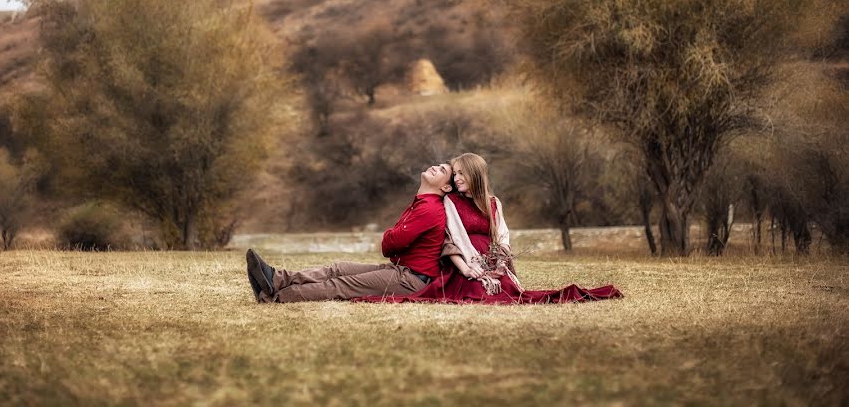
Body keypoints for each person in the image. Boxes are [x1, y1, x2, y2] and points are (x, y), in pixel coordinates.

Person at [356, 153, 623, 304]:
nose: (457, 178)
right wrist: (468, 268)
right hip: (462, 265)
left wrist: (499, 261)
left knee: (510, 296)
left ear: (475, 175)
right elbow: (448, 241)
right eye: (455, 174)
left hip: (493, 262)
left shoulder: (494, 204)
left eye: (461, 173)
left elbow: (502, 236)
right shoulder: (450, 202)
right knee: (478, 293)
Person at [246, 163, 453, 302]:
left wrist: (391, 234)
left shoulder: (429, 209)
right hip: (401, 270)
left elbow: (389, 245)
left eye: (443, 170)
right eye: (438, 164)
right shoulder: (422, 204)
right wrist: (393, 235)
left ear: (446, 187)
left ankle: (273, 296)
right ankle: (276, 279)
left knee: (340, 285)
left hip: (411, 280)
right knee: (338, 268)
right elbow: (394, 241)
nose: (435, 166)